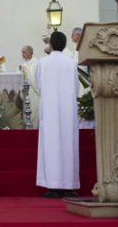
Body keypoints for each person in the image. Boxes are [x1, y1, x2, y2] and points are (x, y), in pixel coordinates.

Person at [36, 31, 80, 198]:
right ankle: (69, 185)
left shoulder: (42, 62)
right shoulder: (70, 63)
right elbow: (76, 87)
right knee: (68, 145)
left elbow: (39, 84)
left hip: (49, 108)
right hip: (67, 110)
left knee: (51, 145)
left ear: (51, 45)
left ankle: (52, 186)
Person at [19, 45, 40, 128]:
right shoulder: (23, 64)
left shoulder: (36, 63)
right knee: (26, 113)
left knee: (34, 113)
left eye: (24, 52)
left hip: (33, 92)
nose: (22, 54)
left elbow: (35, 78)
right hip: (25, 91)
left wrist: (25, 72)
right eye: (22, 52)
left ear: (30, 53)